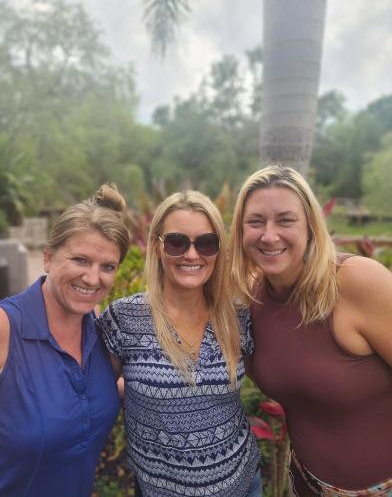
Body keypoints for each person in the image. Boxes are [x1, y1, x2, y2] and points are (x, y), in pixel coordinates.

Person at [229, 165, 392, 496]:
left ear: (310, 227)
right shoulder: (249, 297)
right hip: (306, 483)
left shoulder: (356, 282)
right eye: (256, 221)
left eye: (285, 220)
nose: (269, 235)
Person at [99, 190, 261, 497]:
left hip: (242, 484)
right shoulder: (124, 319)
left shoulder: (237, 316)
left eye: (206, 243)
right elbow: (95, 392)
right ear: (157, 247)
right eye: (176, 242)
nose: (191, 255)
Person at [0, 184, 130, 497]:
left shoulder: (98, 327)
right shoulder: (6, 329)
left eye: (107, 267)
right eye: (80, 260)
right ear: (48, 258)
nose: (92, 278)